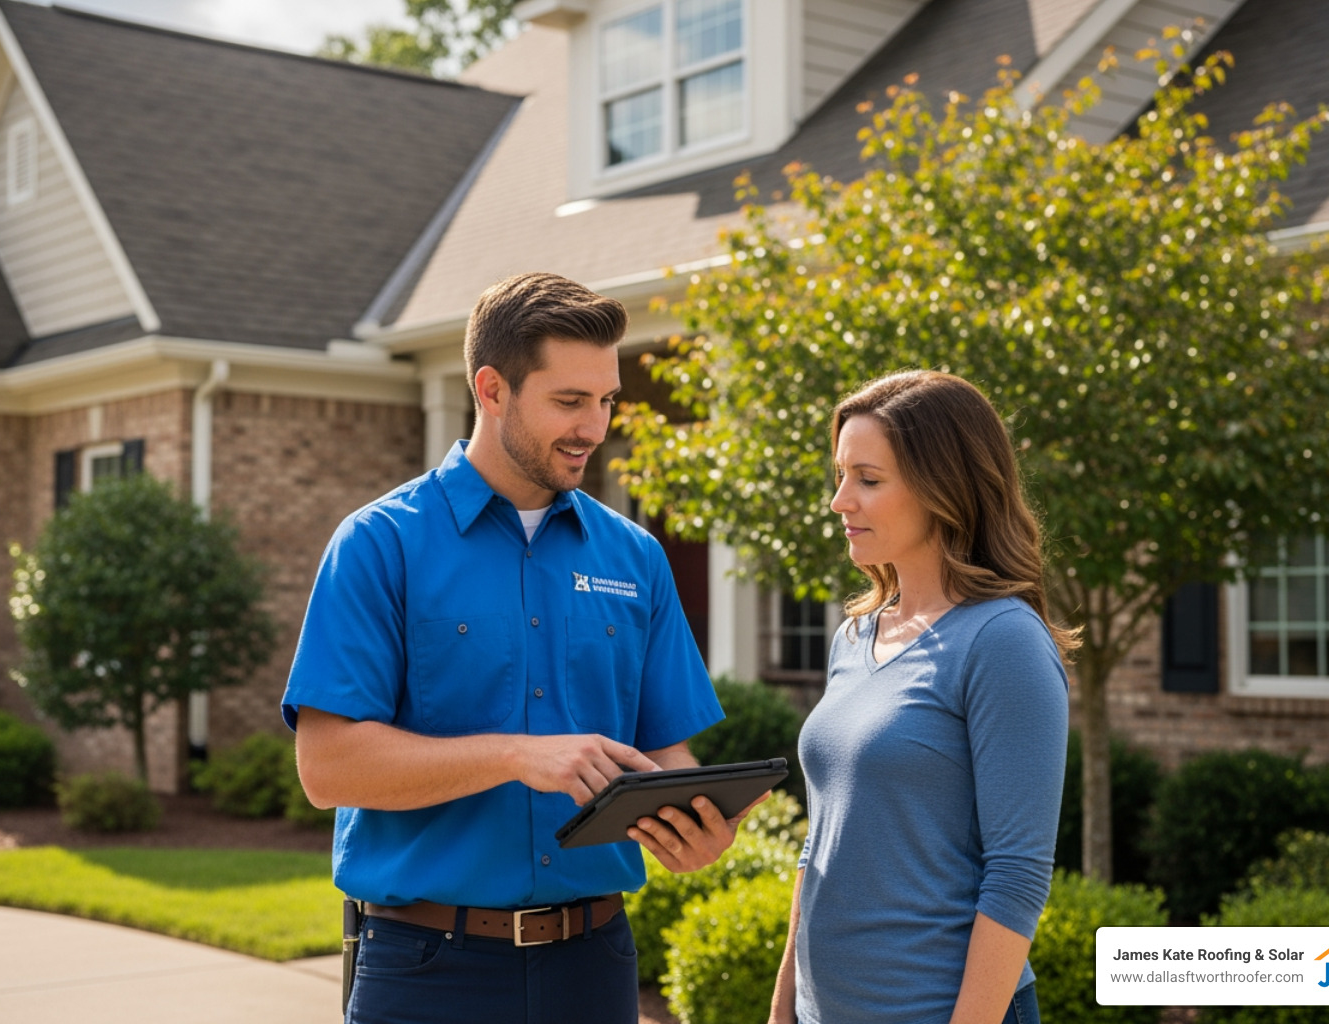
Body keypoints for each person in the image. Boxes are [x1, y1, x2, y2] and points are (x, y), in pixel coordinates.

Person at [283, 272, 744, 1024]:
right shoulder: (379, 545)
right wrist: (516, 756)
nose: (594, 427)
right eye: (569, 401)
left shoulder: (635, 557)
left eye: (606, 401)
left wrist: (693, 820)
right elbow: (327, 768)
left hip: (594, 964)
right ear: (492, 389)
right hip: (428, 970)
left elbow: (667, 753)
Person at [769, 370, 1076, 1024]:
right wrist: (783, 1007)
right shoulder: (855, 634)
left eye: (868, 479)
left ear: (945, 489)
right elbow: (821, 842)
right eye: (840, 475)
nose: (839, 501)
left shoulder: (1002, 640)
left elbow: (1017, 878)